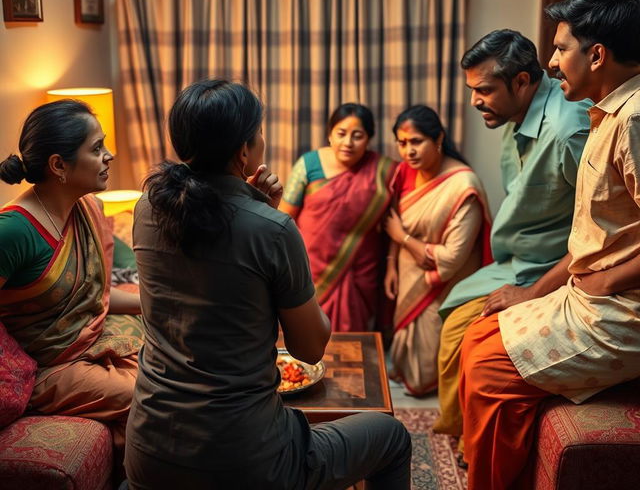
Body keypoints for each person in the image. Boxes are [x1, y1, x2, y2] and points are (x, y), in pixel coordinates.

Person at [124, 79, 411, 490]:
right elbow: (309, 348)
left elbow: (213, 250)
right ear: (244, 151)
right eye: (258, 134)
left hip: (149, 451)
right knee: (392, 436)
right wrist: (264, 218)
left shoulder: (147, 209)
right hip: (245, 459)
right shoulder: (272, 229)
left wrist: (255, 207)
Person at [458, 0, 640, 490]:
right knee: (477, 335)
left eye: (561, 49)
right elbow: (589, 239)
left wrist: (610, 281)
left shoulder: (634, 119)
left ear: (597, 55)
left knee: (491, 372)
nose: (552, 63)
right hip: (584, 294)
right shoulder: (609, 113)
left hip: (620, 311)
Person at [432, 29, 591, 447]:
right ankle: (461, 432)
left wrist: (535, 292)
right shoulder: (515, 113)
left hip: (551, 269)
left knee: (465, 332)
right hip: (518, 258)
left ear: (522, 81)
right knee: (450, 311)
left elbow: (598, 235)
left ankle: (471, 444)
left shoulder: (567, 131)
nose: (474, 101)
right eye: (471, 89)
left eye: (483, 90)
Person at [0, 100, 142, 462]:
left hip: (89, 341)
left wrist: (155, 303)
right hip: (48, 366)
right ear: (59, 165)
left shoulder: (88, 207)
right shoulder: (14, 231)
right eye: (97, 149)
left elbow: (93, 295)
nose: (109, 155)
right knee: (151, 395)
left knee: (177, 364)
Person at [383, 105, 491, 396]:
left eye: (416, 142)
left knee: (422, 377)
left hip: (443, 282)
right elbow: (395, 217)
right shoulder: (405, 172)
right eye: (402, 143)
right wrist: (392, 263)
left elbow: (453, 258)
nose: (409, 152)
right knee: (403, 356)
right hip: (408, 272)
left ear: (438, 139)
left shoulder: (463, 187)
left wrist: (403, 238)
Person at [280, 104, 396, 331]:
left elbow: (395, 222)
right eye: (341, 134)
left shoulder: (384, 171)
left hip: (359, 271)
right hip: (309, 267)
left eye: (358, 136)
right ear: (330, 135)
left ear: (369, 139)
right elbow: (283, 218)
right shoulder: (308, 164)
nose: (348, 143)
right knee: (304, 335)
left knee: (353, 341)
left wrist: (392, 264)